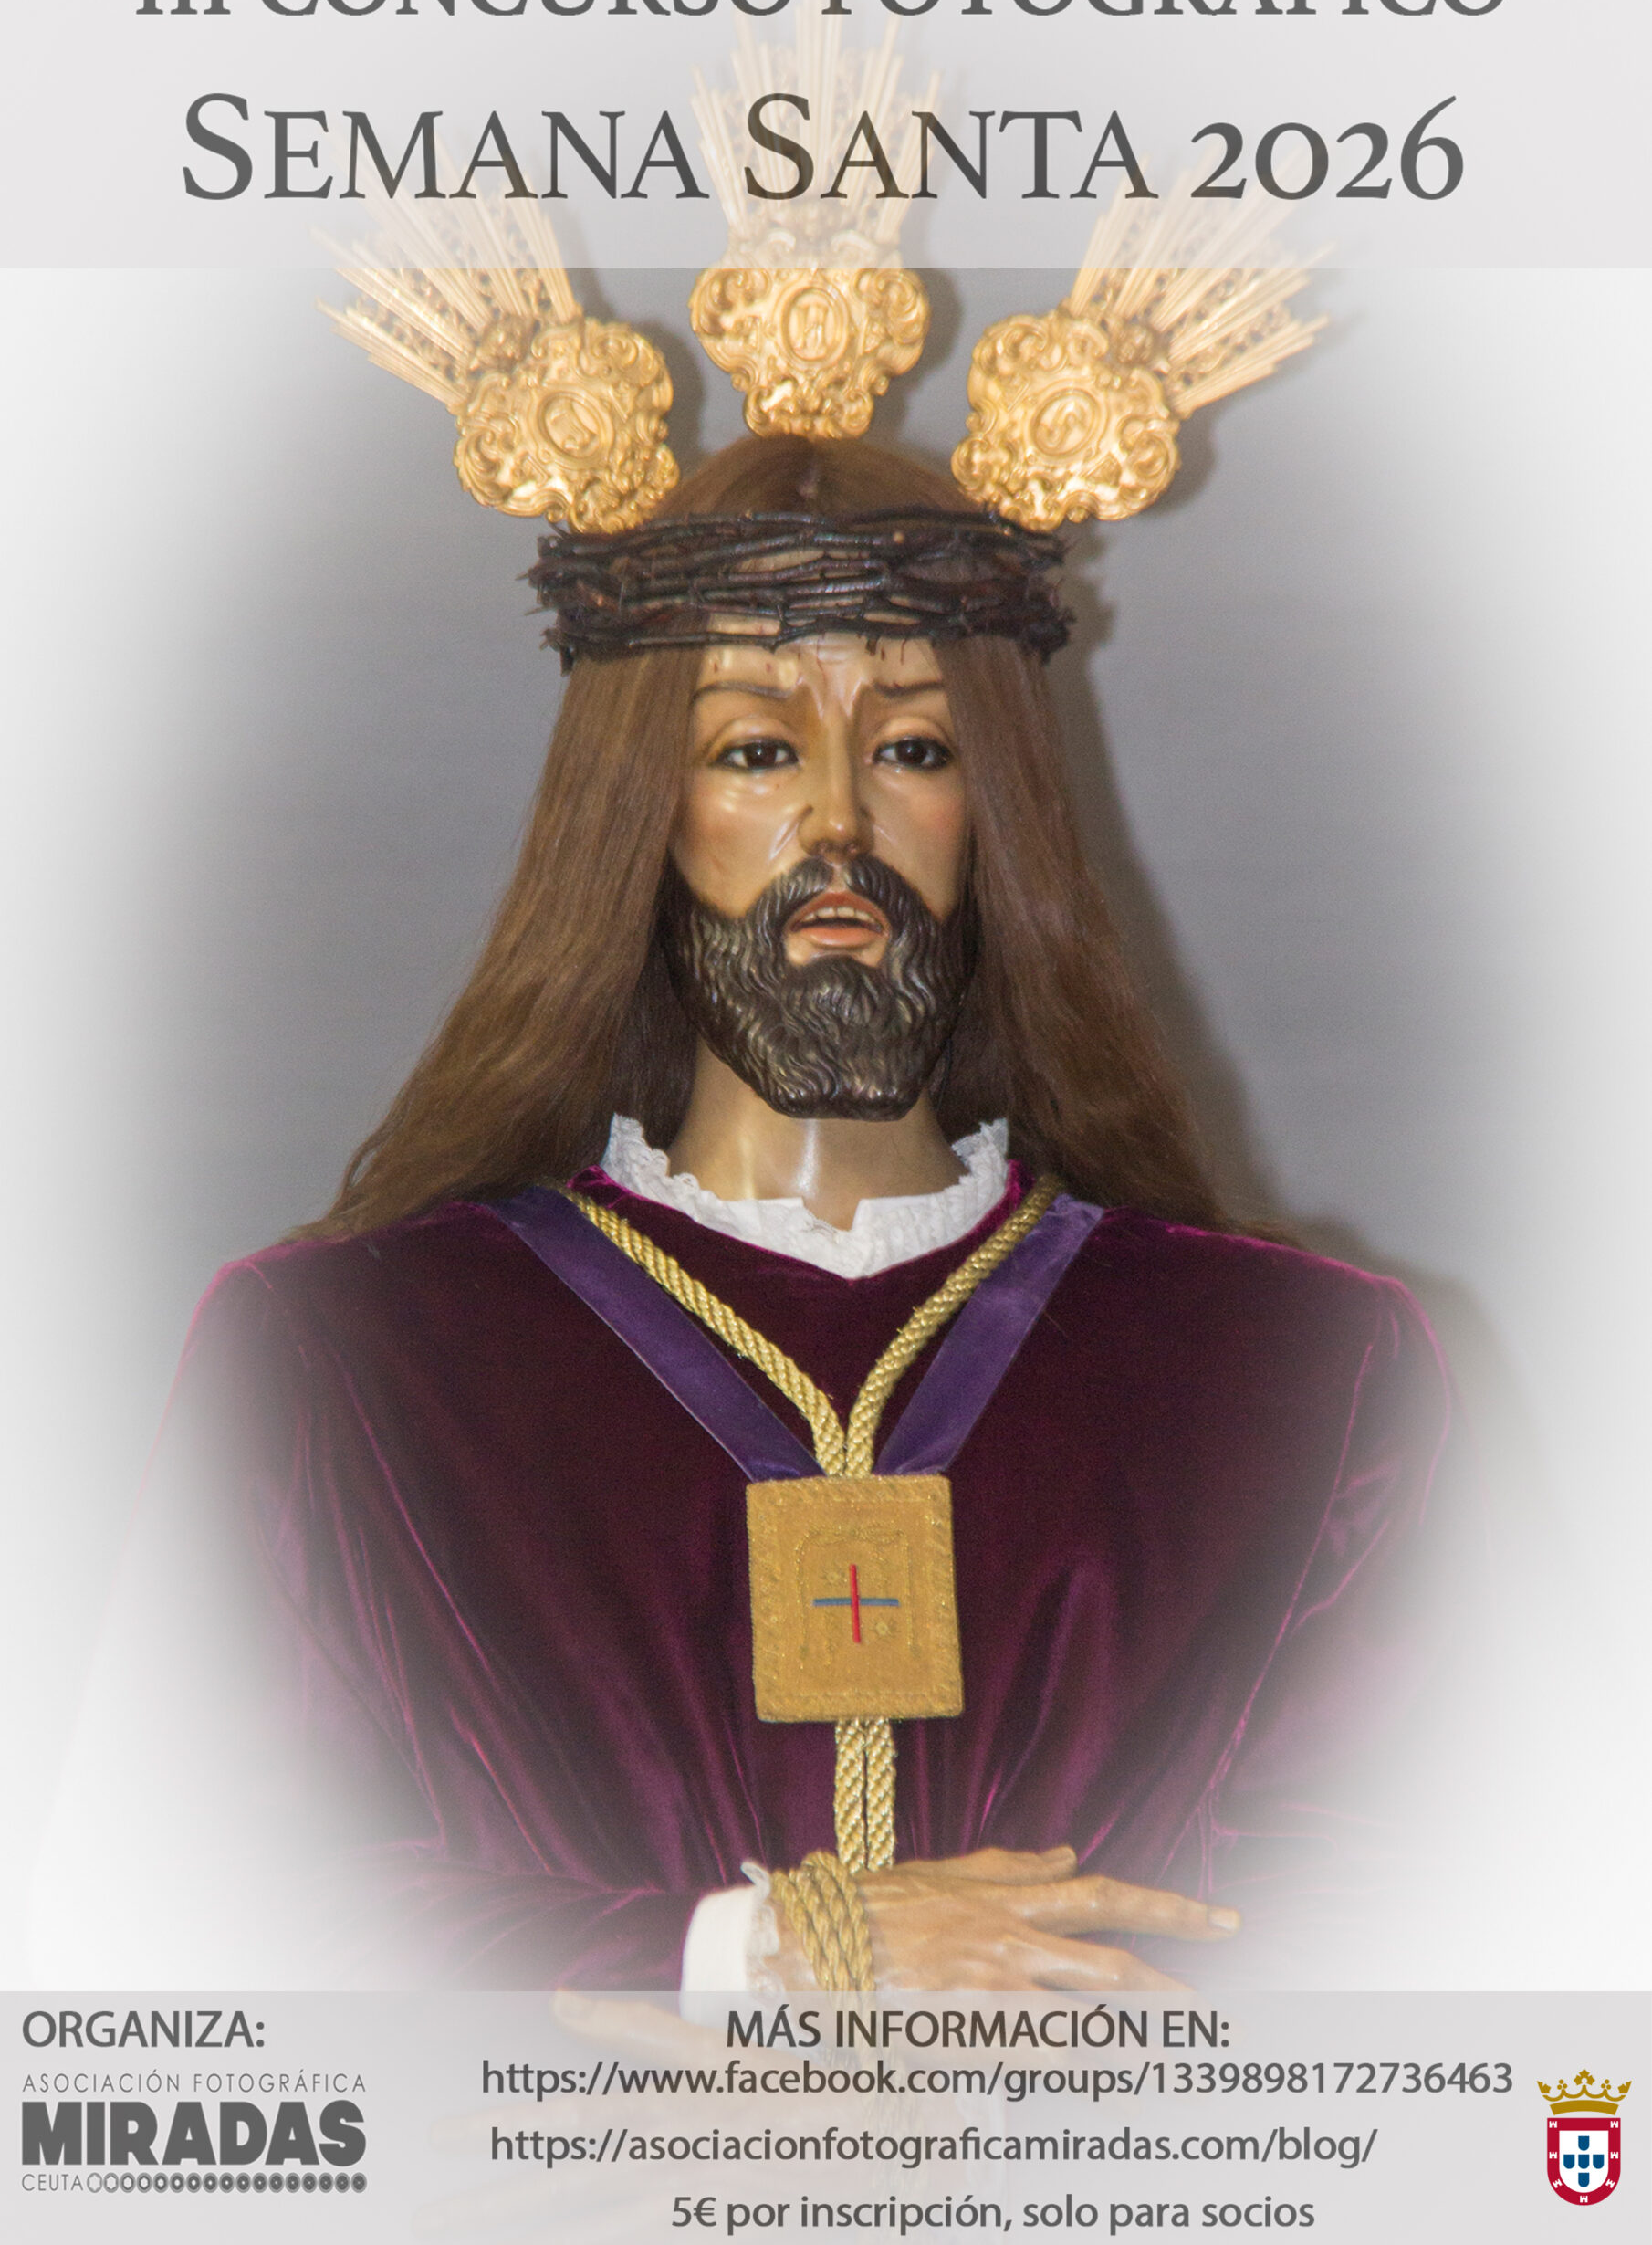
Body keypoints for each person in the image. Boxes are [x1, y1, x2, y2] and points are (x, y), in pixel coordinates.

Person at [41, 429, 1453, 1998]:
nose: (838, 825)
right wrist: (755, 1955)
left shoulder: (1299, 1370)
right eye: (757, 751)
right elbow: (165, 1920)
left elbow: (1466, 1919)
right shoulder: (343, 1363)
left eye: (912, 748)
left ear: (995, 813)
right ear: (644, 811)